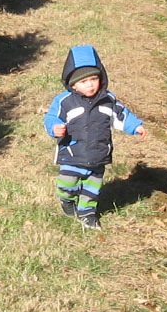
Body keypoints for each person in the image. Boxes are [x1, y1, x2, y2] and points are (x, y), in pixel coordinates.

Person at [44, 45, 146, 230]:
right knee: (67, 186)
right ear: (73, 84)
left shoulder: (108, 100)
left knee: (92, 190)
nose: (90, 84)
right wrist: (55, 128)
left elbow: (121, 116)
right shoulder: (64, 102)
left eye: (94, 79)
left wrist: (135, 126)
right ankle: (67, 201)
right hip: (72, 154)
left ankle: (87, 214)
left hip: (98, 155)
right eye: (84, 82)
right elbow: (52, 118)